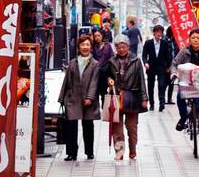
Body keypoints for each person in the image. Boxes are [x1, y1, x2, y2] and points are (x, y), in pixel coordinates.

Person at [58, 32, 99, 161]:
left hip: (88, 99)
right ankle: (71, 153)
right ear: (79, 47)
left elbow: (94, 82)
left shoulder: (95, 64)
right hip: (73, 97)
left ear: (91, 47)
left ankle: (89, 151)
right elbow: (66, 81)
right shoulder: (72, 63)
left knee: (88, 125)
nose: (85, 47)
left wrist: (90, 98)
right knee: (71, 126)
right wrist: (61, 98)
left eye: (87, 44)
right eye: (82, 44)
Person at [105, 35, 148, 161]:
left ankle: (133, 149)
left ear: (128, 47)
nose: (121, 49)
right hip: (116, 97)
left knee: (131, 127)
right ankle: (119, 152)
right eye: (119, 47)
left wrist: (144, 98)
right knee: (117, 129)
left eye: (124, 47)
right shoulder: (111, 61)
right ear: (116, 48)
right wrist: (109, 80)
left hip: (133, 97)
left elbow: (141, 80)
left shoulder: (136, 61)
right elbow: (107, 76)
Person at [142, 23, 172, 112]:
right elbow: (144, 55)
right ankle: (151, 104)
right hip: (151, 67)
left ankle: (162, 103)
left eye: (160, 32)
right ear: (154, 33)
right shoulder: (148, 43)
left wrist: (168, 66)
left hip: (161, 67)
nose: (159, 34)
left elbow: (168, 55)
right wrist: (145, 63)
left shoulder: (165, 43)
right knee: (150, 86)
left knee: (161, 85)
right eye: (157, 32)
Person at [92, 28, 115, 109]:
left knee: (104, 91)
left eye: (98, 35)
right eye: (95, 36)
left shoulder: (108, 45)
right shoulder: (93, 46)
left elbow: (112, 58)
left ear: (102, 36)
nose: (97, 38)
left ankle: (104, 107)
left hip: (105, 72)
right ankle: (96, 108)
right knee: (95, 91)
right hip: (95, 72)